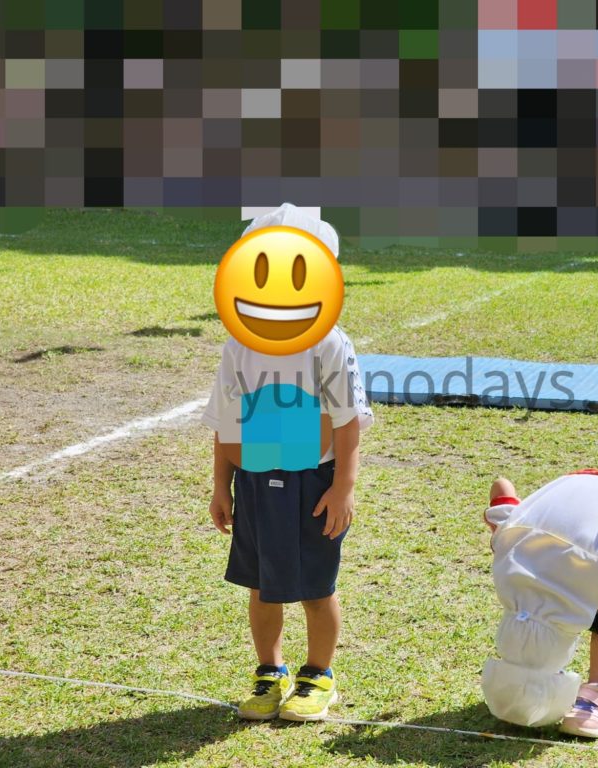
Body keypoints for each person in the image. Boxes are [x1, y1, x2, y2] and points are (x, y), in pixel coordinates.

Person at [202, 204, 373, 722]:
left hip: (314, 483)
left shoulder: (329, 342)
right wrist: (222, 485)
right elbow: (227, 422)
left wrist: (342, 488)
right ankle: (269, 672)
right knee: (262, 586)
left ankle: (318, 675)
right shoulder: (239, 343)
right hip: (256, 479)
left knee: (316, 589)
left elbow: (347, 422)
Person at [480, 469, 598, 738]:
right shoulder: (507, 544)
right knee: (596, 601)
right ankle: (554, 675)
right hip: (571, 484)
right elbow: (502, 486)